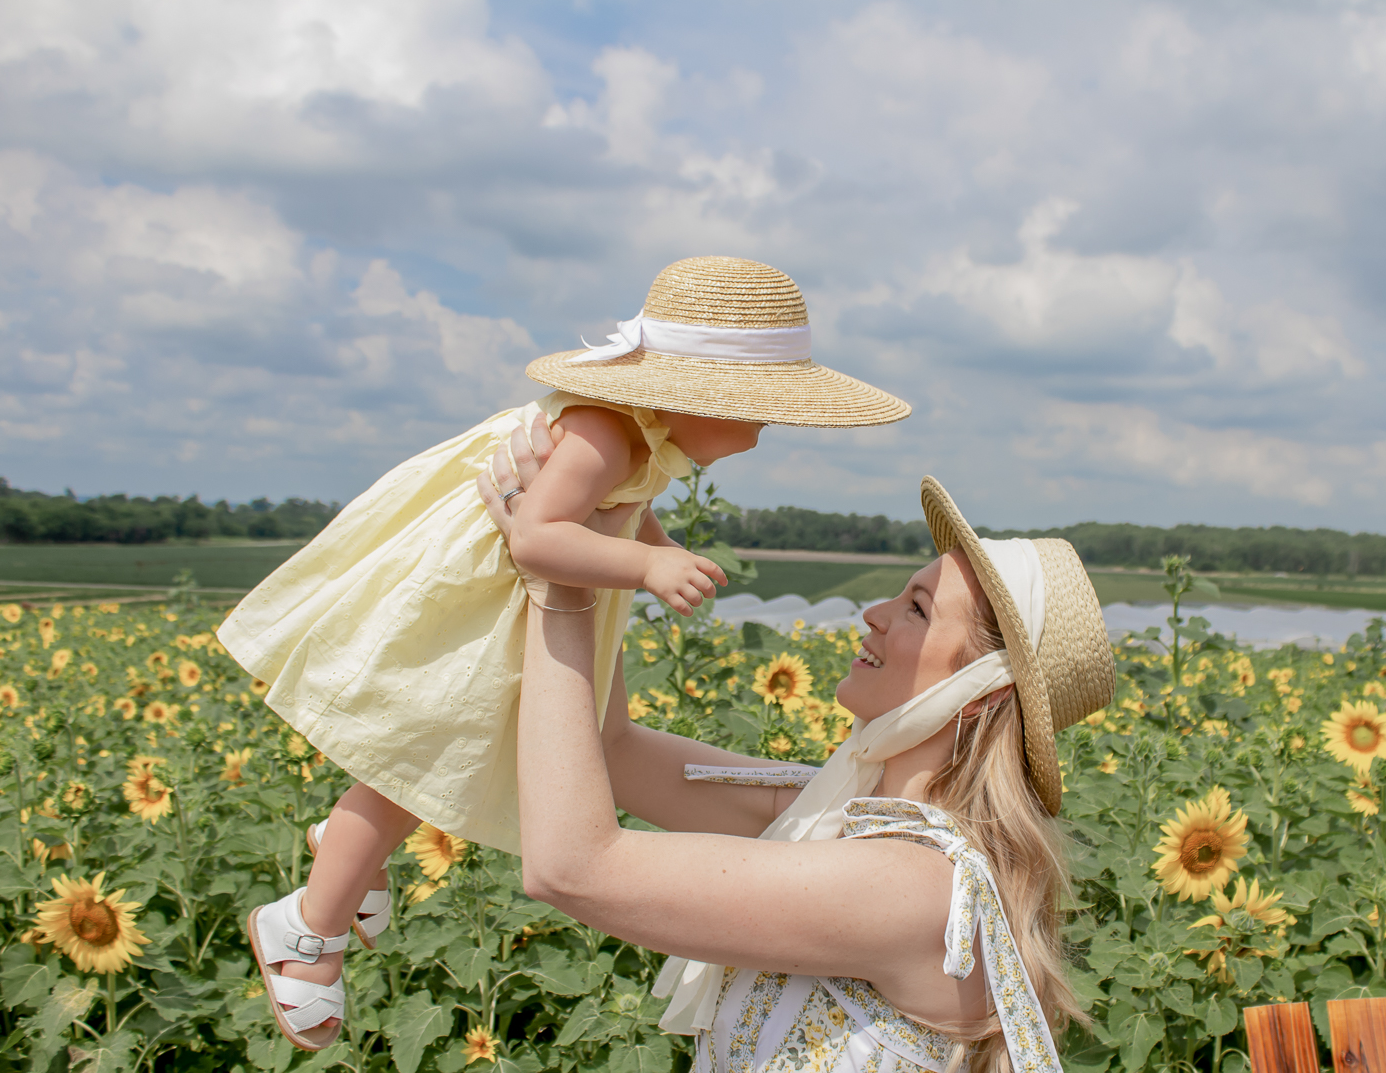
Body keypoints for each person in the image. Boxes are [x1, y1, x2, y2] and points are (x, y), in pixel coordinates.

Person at [225, 256, 911, 1051]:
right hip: (481, 604)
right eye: (753, 413)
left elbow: (621, 509)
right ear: (692, 393)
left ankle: (345, 860)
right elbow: (540, 537)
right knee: (423, 754)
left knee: (451, 753)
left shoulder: (640, 438)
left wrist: (651, 543)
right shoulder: (602, 434)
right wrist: (651, 567)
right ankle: (305, 927)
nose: (760, 434)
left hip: (525, 599)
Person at [484, 438, 1116, 1072]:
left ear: (980, 693)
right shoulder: (827, 814)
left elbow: (569, 868)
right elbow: (611, 751)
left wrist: (560, 587)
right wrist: (601, 539)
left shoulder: (915, 886)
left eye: (917, 610)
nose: (875, 613)